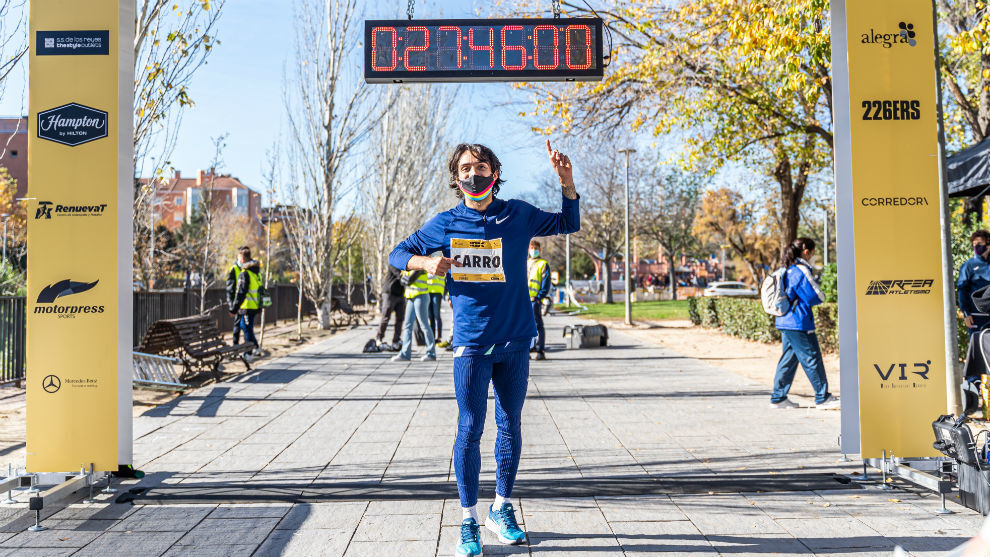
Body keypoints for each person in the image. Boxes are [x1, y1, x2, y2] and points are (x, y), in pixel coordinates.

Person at [389, 140, 579, 557]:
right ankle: (469, 520)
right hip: (471, 344)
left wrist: (566, 183)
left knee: (510, 425)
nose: (473, 173)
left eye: (481, 166)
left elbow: (567, 223)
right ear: (456, 179)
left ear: (495, 171)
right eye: (465, 169)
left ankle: (502, 508)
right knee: (470, 428)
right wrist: (424, 263)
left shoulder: (519, 214)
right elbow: (396, 253)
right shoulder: (445, 223)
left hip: (515, 339)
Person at [770, 237, 839, 409]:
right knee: (812, 357)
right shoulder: (801, 270)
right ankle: (822, 397)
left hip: (785, 321)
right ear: (806, 251)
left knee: (788, 359)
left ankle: (778, 397)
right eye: (814, 252)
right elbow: (814, 296)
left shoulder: (787, 269)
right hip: (799, 322)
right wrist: (821, 294)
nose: (814, 256)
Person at [391, 269, 436, 362]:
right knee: (407, 325)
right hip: (411, 297)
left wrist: (407, 279)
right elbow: (404, 280)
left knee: (424, 325)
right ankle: (405, 354)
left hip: (421, 296)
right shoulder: (409, 263)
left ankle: (431, 354)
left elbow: (410, 279)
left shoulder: (420, 262)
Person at [958, 230, 990, 359]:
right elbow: (962, 290)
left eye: (980, 243)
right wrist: (966, 313)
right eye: (974, 244)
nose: (976, 247)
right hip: (976, 315)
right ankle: (975, 378)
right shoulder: (968, 266)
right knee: (977, 346)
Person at [230, 246, 262, 355]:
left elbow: (241, 293)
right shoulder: (255, 272)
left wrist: (234, 308)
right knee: (246, 327)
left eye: (239, 258)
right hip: (255, 305)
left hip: (248, 306)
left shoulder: (245, 273)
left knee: (246, 328)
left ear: (242, 259)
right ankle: (256, 347)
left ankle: (249, 353)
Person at [527, 240, 551, 360]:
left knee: (537, 325)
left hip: (534, 300)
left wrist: (539, 297)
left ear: (540, 250)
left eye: (536, 248)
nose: (534, 250)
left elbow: (546, 283)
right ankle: (529, 349)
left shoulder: (543, 264)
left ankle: (540, 350)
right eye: (532, 248)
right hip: (523, 300)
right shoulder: (525, 263)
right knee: (525, 326)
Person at [376, 264, 406, 351]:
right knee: (386, 317)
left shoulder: (406, 264)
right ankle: (379, 338)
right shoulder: (394, 262)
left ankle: (396, 340)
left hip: (400, 294)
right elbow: (400, 276)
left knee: (400, 318)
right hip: (389, 293)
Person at [225, 252, 243, 343]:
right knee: (238, 326)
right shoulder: (234, 269)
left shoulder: (246, 269)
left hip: (245, 302)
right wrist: (232, 306)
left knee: (245, 327)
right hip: (237, 302)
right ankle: (235, 346)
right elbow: (230, 289)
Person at [428, 270, 448, 348]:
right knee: (431, 316)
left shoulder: (436, 260)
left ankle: (439, 337)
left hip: (437, 290)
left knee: (437, 315)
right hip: (427, 291)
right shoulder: (428, 262)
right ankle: (432, 337)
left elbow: (436, 275)